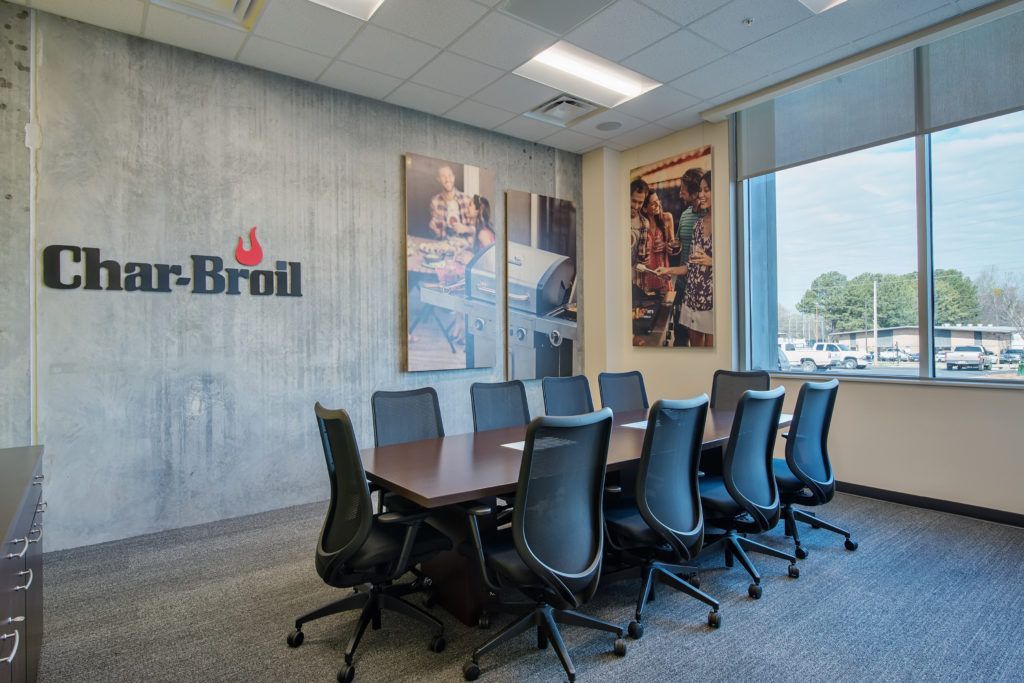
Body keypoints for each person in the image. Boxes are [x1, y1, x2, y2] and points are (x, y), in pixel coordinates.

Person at [670, 168, 704, 345]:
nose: (680, 194)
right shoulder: (684, 215)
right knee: (680, 336)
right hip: (682, 286)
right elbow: (679, 245)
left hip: (700, 288)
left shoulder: (709, 217)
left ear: (694, 192)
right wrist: (673, 247)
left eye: (683, 190)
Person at [637, 189, 677, 293]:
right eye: (653, 203)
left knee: (666, 303)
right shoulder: (640, 223)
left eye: (658, 200)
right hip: (645, 279)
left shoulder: (667, 218)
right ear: (644, 208)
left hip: (663, 277)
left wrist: (667, 246)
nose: (658, 204)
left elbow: (673, 248)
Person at [428, 165, 473, 239]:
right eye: (443, 176)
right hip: (444, 244)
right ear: (438, 179)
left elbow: (476, 230)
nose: (447, 179)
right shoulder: (434, 202)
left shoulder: (467, 199)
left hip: (464, 244)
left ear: (454, 177)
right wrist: (435, 231)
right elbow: (436, 233)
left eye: (450, 175)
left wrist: (466, 229)